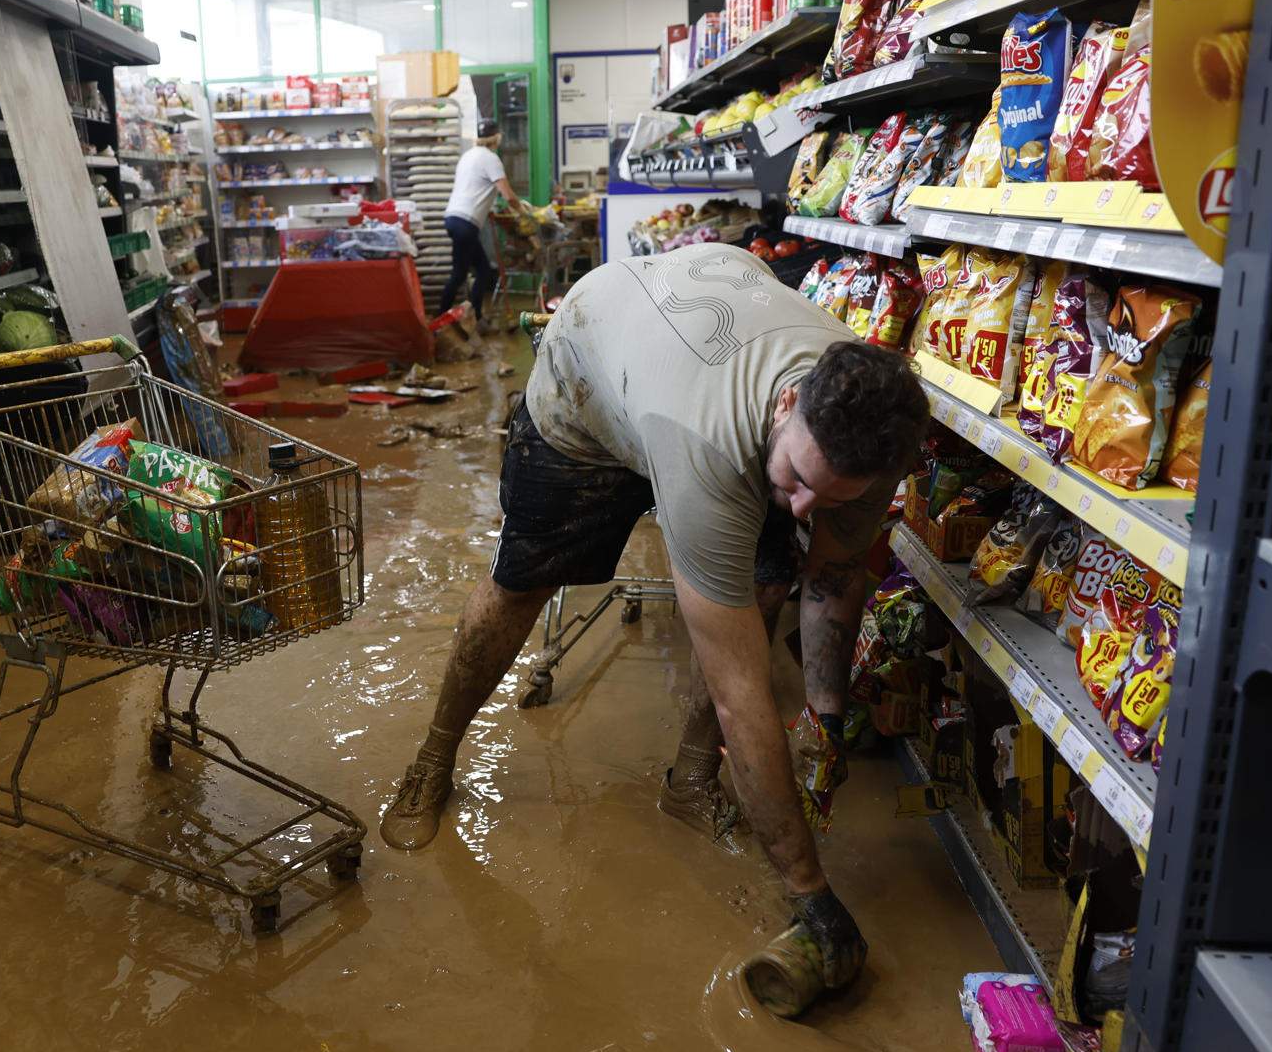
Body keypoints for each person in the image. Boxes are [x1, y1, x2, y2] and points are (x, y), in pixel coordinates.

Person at [379, 241, 929, 1004]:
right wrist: (810, 893)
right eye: (799, 482)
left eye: (830, 497)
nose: (806, 508)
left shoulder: (865, 429)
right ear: (784, 405)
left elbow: (832, 582)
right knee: (521, 586)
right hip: (588, 380)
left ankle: (691, 782)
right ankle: (433, 760)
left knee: (770, 578)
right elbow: (744, 692)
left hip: (687, 352)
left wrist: (828, 716)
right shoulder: (710, 443)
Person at [439, 119, 524, 317]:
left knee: (481, 270)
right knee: (461, 274)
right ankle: (441, 320)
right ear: (497, 138)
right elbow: (508, 195)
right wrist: (523, 212)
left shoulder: (468, 155)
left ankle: (474, 316)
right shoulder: (491, 158)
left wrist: (488, 210)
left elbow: (474, 188)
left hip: (453, 218)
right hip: (465, 223)